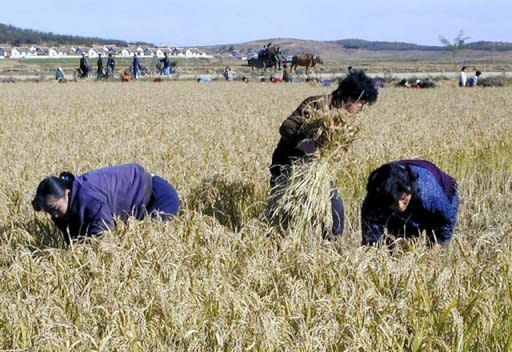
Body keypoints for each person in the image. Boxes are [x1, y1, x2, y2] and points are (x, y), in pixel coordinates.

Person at [269, 69, 379, 237]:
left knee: (335, 207)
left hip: (319, 174)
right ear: (348, 97)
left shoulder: (348, 122)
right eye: (361, 103)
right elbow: (286, 127)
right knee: (286, 214)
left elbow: (340, 148)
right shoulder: (317, 105)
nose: (362, 108)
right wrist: (307, 147)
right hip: (288, 167)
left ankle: (333, 245)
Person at [32, 163, 180, 244]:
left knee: (151, 243)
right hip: (143, 196)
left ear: (67, 193)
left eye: (56, 209)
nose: (55, 215)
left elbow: (103, 236)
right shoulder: (63, 206)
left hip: (159, 197)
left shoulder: (89, 197)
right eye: (50, 212)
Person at [361, 159, 459, 247]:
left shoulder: (428, 193)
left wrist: (439, 244)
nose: (400, 206)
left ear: (410, 188)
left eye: (403, 199)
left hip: (443, 198)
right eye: (393, 202)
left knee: (434, 249)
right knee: (402, 238)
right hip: (402, 204)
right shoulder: (375, 197)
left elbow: (447, 218)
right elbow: (371, 240)